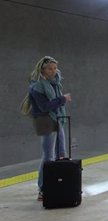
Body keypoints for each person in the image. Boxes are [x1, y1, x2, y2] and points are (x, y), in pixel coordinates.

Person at [27, 56, 72, 201]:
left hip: (57, 119)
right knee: (48, 156)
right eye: (49, 69)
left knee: (62, 153)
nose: (53, 71)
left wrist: (60, 101)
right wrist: (62, 99)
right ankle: (43, 189)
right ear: (42, 69)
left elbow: (55, 104)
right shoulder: (37, 86)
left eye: (54, 68)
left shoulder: (55, 83)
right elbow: (44, 106)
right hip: (45, 121)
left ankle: (60, 183)